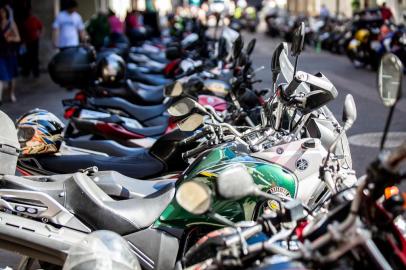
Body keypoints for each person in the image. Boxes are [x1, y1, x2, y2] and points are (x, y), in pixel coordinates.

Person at [0, 3, 20, 104]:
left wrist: (11, 38)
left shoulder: (11, 24)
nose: (1, 13)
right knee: (1, 76)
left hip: (10, 52)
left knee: (12, 76)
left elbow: (18, 38)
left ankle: (11, 93)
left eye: (3, 12)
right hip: (1, 54)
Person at [21, 8, 43, 78]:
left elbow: (40, 27)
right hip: (27, 41)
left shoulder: (34, 19)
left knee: (34, 57)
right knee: (27, 57)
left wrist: (39, 34)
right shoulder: (25, 21)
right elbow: (23, 32)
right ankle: (26, 72)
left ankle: (35, 72)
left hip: (34, 41)